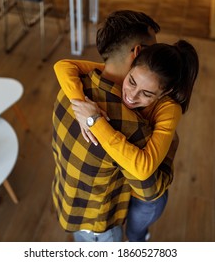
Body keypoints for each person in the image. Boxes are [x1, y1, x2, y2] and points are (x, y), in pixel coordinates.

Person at [53, 42, 199, 241]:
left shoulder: (170, 109)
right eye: (131, 81)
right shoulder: (136, 72)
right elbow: (62, 66)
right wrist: (81, 104)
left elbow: (142, 168)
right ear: (131, 67)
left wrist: (94, 121)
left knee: (134, 236)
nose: (131, 95)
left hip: (145, 199)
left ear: (165, 92)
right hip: (122, 187)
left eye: (146, 94)